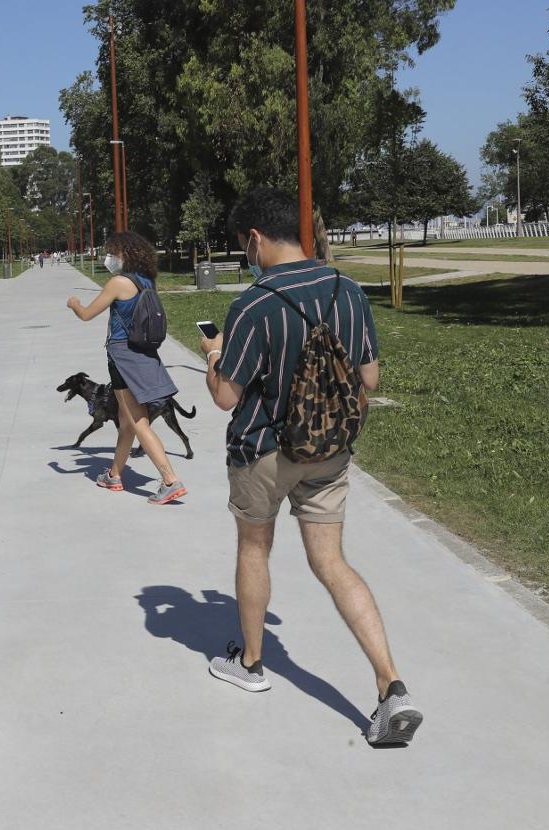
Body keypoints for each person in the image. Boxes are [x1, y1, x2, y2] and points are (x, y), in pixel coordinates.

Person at [197, 188, 422, 746]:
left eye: (243, 244)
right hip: (329, 451)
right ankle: (391, 684)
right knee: (332, 562)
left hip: (264, 453)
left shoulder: (253, 305)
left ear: (255, 238)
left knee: (254, 549)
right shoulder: (347, 289)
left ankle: (251, 663)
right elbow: (369, 379)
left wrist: (213, 356)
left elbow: (226, 397)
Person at [65, 231, 186, 505]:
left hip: (122, 358)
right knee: (127, 421)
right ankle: (114, 475)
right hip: (143, 353)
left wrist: (74, 304)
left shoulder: (118, 283)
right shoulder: (147, 281)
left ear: (126, 254)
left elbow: (87, 314)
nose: (110, 258)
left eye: (113, 253)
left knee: (137, 421)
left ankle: (170, 480)